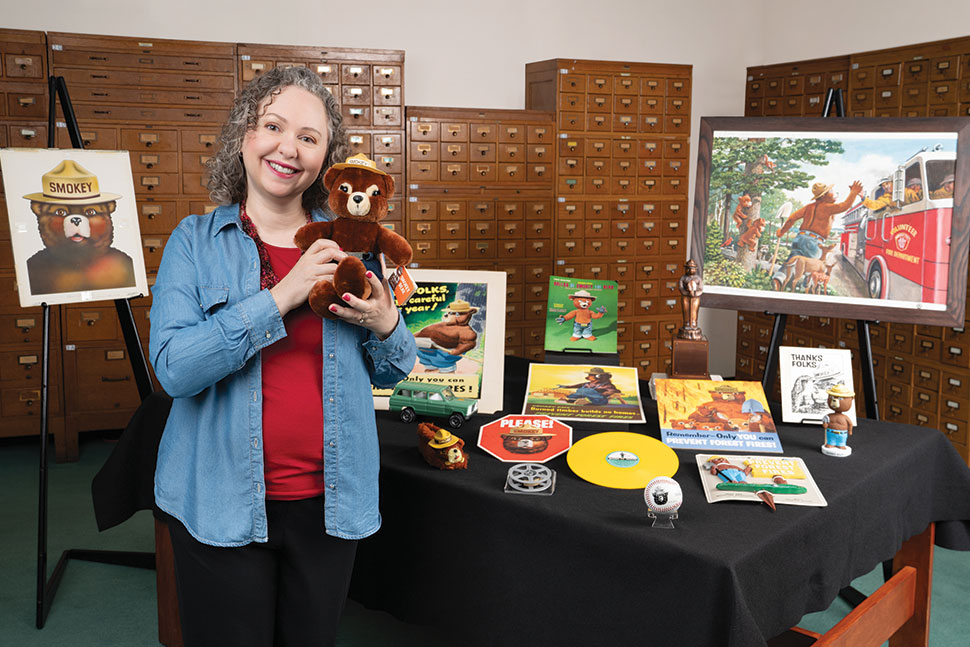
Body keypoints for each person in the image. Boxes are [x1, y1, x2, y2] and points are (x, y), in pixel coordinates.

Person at [148, 66, 416, 647]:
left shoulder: (351, 246)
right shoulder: (193, 242)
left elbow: (397, 367)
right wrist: (282, 297)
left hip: (328, 502)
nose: (287, 148)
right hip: (219, 504)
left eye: (309, 137)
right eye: (273, 126)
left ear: (327, 162)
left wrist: (387, 321)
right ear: (244, 135)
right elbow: (173, 368)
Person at [772, 180, 862, 290]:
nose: (834, 193)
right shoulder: (827, 207)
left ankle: (779, 279)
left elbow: (792, 218)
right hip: (814, 242)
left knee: (790, 261)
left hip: (800, 238)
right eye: (831, 191)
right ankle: (806, 287)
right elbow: (845, 206)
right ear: (824, 196)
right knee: (813, 267)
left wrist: (782, 231)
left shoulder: (808, 207)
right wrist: (853, 192)